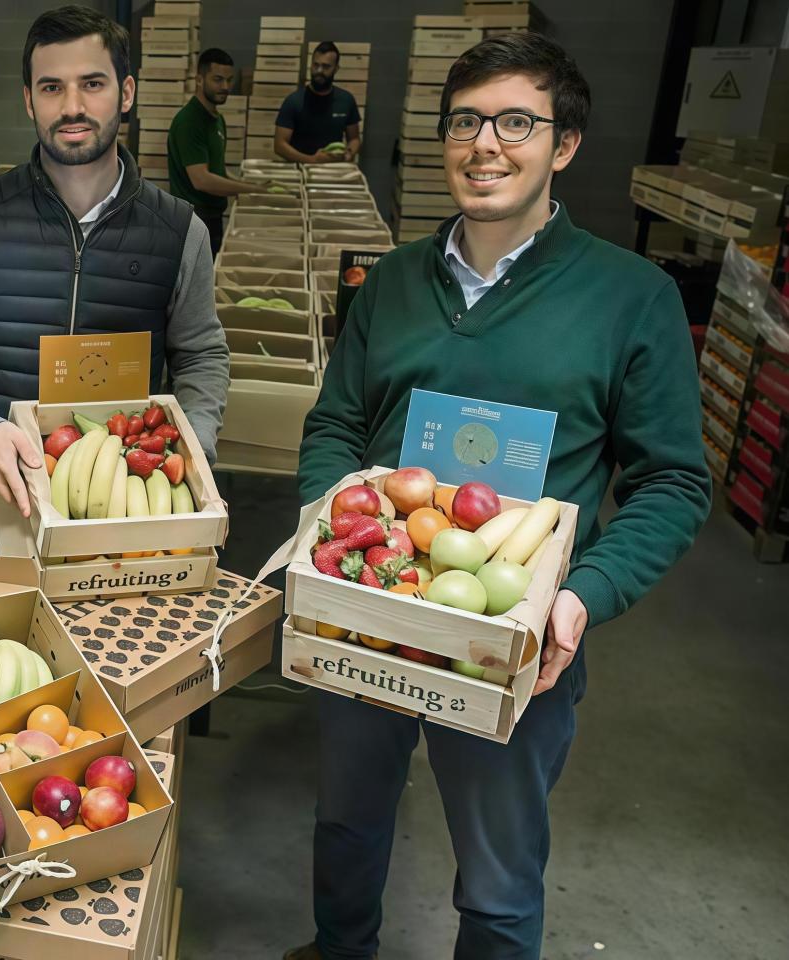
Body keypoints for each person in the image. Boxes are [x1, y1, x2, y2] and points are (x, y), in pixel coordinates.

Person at [286, 34, 710, 960]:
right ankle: (339, 947)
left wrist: (580, 597)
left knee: (500, 871)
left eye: (516, 122)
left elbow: (674, 480)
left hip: (516, 635)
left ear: (563, 145)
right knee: (347, 823)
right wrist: (334, 535)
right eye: (466, 122)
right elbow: (335, 427)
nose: (486, 144)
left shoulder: (629, 298)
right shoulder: (392, 282)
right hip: (375, 607)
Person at [0, 5, 229, 554]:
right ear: (29, 99)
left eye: (92, 84)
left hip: (123, 505)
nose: (72, 106)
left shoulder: (179, 231)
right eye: (51, 87)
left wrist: (191, 446)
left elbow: (201, 354)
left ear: (125, 93)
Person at [167, 47, 269, 252]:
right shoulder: (189, 121)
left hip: (212, 217)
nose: (225, 86)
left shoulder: (216, 119)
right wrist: (251, 189)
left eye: (229, 80)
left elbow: (217, 169)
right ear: (199, 79)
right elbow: (202, 179)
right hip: (193, 222)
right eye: (217, 79)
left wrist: (244, 184)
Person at [274, 41, 362, 165]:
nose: (319, 71)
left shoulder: (346, 100)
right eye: (316, 65)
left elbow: (354, 138)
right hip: (300, 171)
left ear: (336, 69)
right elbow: (279, 146)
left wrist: (348, 155)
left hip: (333, 171)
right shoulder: (294, 101)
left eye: (326, 67)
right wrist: (312, 160)